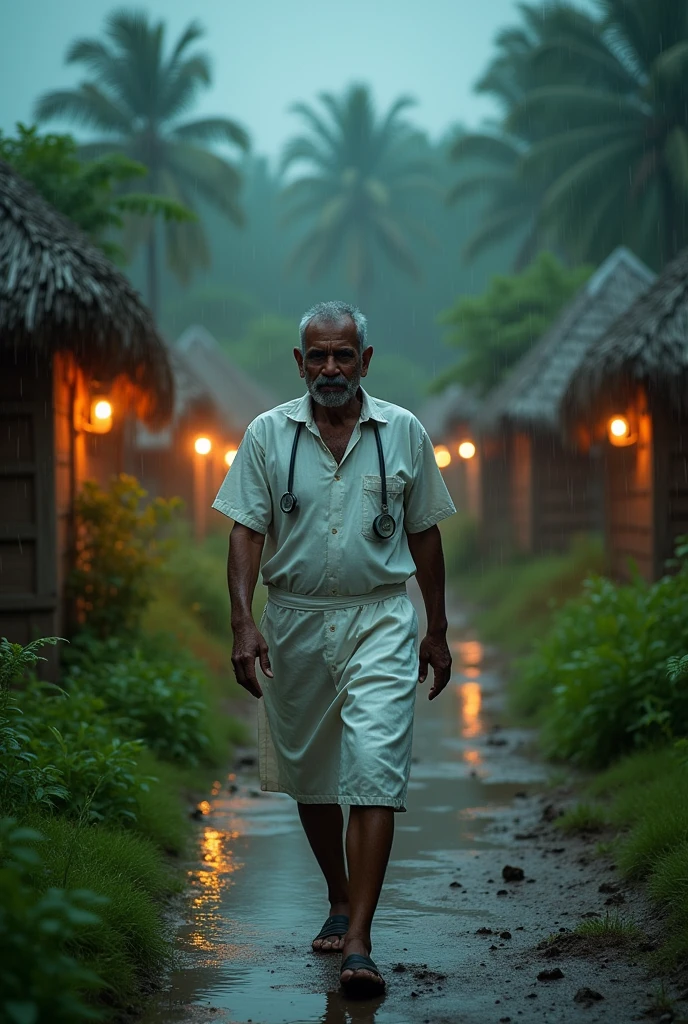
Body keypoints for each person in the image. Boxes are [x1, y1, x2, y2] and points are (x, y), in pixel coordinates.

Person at [212, 300, 456, 998]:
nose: (329, 368)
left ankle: (359, 942)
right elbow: (245, 533)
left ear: (364, 361)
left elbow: (426, 534)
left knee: (376, 769)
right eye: (316, 356)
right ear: (299, 363)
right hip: (292, 621)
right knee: (311, 774)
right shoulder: (267, 435)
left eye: (342, 355)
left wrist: (434, 630)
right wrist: (242, 622)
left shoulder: (403, 432)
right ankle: (338, 893)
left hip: (381, 618)